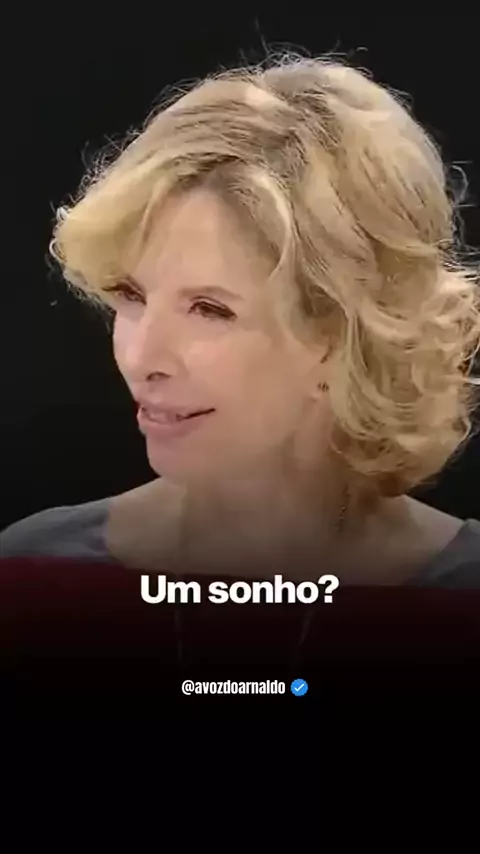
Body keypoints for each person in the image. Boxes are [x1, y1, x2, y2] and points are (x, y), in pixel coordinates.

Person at [1, 53, 480, 586]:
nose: (140, 358)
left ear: (343, 334)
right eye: (131, 295)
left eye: (209, 310)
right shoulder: (35, 575)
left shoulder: (463, 598)